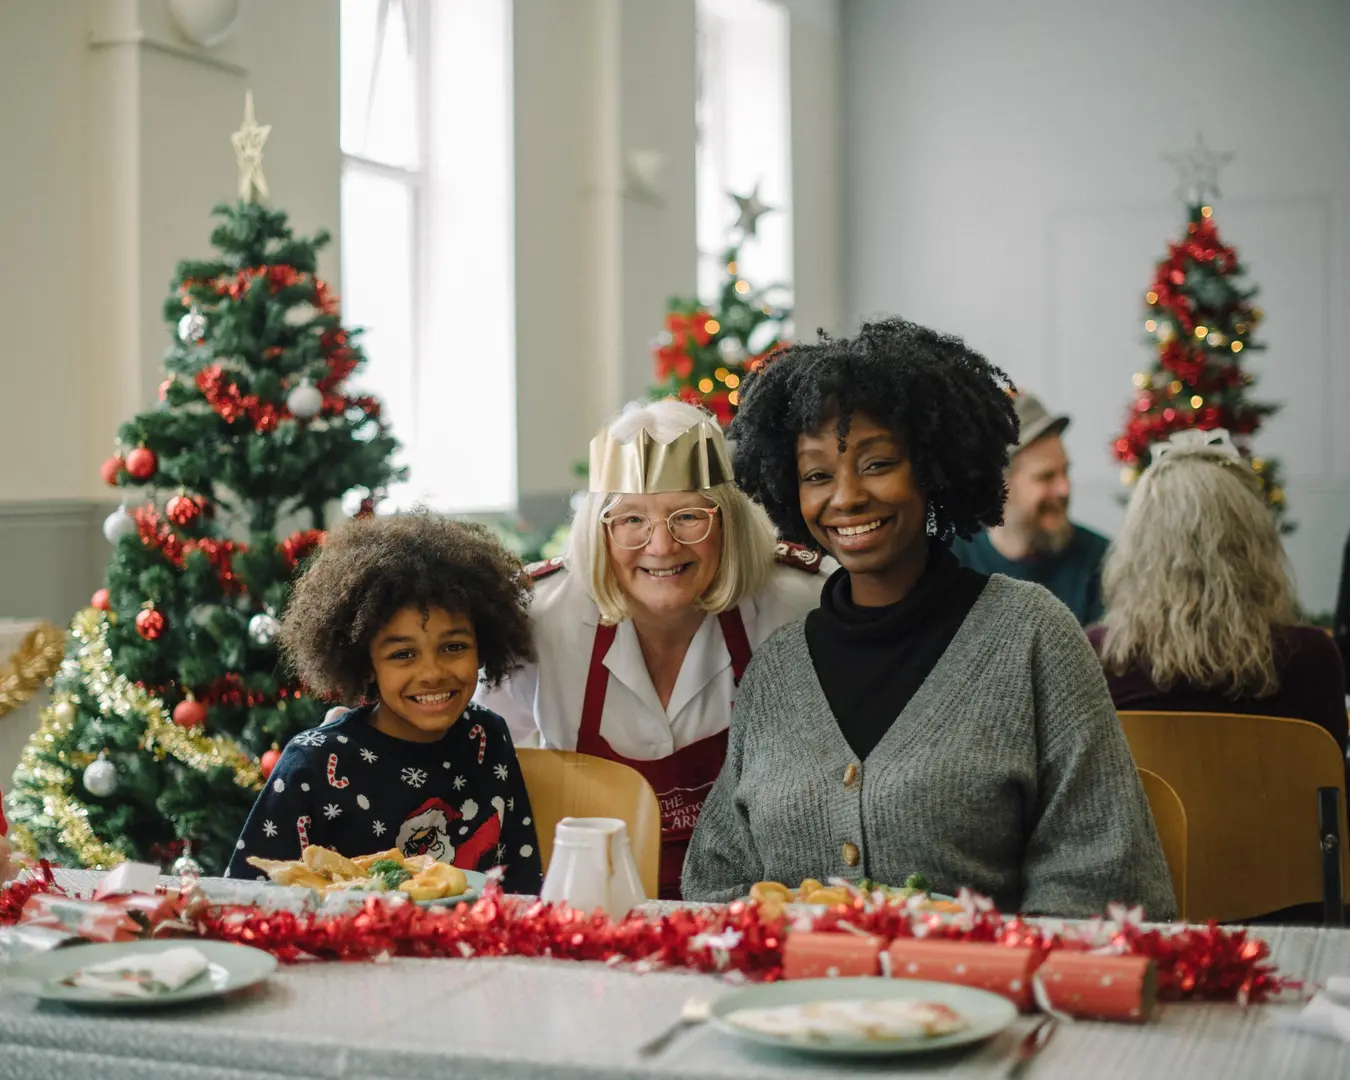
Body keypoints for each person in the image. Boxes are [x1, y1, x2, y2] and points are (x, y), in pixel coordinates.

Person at [684, 317, 1175, 919]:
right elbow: (714, 886)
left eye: (876, 463)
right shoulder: (779, 668)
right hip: (796, 1007)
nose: (845, 498)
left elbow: (1105, 885)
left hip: (988, 1003)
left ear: (935, 468)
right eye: (816, 475)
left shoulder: (1031, 636)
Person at [477, 398, 830, 899]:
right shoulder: (538, 618)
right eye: (631, 520)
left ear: (727, 521)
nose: (661, 547)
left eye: (688, 517)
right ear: (600, 530)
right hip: (588, 905)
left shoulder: (801, 603)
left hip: (755, 900)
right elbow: (476, 754)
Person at [226, 512, 542, 893]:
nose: (432, 673)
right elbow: (243, 897)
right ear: (366, 663)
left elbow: (521, 885)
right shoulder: (311, 765)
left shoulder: (488, 736)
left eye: (454, 647)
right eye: (402, 655)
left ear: (484, 646)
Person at [1089, 429, 1347, 754]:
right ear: (1255, 544)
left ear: (1136, 550)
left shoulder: (1101, 658)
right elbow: (1333, 793)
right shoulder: (1313, 658)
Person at [952, 390, 1109, 625]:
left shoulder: (1101, 563)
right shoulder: (953, 563)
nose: (1064, 488)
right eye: (1046, 477)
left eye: (1065, 471)